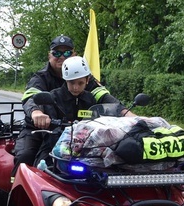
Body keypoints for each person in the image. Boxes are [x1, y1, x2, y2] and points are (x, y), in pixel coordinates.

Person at [13, 35, 115, 166]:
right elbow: (31, 97)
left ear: (74, 54)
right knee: (25, 156)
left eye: (67, 52)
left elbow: (104, 97)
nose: (62, 56)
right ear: (49, 55)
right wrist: (37, 113)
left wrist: (128, 116)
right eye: (57, 53)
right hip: (41, 129)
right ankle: (14, 184)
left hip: (75, 131)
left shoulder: (84, 76)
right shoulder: (41, 77)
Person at [33, 56, 127, 166]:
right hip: (56, 146)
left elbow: (103, 119)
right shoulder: (53, 97)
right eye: (71, 83)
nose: (75, 87)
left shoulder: (91, 99)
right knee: (41, 169)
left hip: (87, 148)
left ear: (87, 80)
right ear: (65, 80)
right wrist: (44, 120)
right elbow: (50, 129)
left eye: (80, 83)